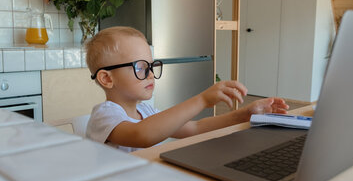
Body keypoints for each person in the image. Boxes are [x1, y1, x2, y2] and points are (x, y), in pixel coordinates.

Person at [85, 26, 289, 152]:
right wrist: (202, 100)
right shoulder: (104, 116)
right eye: (140, 67)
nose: (150, 74)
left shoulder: (146, 112)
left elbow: (196, 128)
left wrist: (244, 115)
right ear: (106, 78)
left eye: (151, 65)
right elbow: (142, 136)